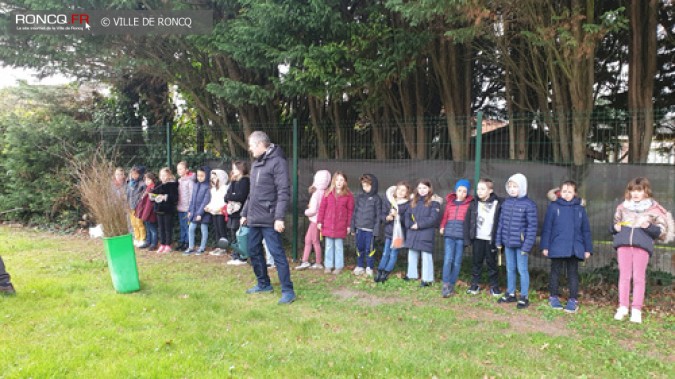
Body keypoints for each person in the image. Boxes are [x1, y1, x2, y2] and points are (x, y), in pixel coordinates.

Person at [240, 131, 296, 304]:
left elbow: (283, 191)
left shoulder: (278, 162)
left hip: (270, 218)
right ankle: (263, 284)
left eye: (251, 145)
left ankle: (288, 291)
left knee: (277, 253)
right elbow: (252, 193)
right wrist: (244, 213)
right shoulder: (256, 164)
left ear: (259, 145)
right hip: (254, 217)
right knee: (253, 250)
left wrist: (279, 217)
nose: (250, 149)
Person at [611, 177, 674, 323]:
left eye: (639, 190)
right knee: (624, 277)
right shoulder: (622, 207)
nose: (635, 193)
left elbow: (662, 232)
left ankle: (636, 310)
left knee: (639, 278)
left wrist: (649, 226)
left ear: (646, 191)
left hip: (642, 248)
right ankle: (623, 307)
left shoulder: (655, 209)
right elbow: (615, 225)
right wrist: (615, 228)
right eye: (632, 190)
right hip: (623, 246)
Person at [540, 180, 592, 313]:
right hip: (557, 246)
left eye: (570, 192)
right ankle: (553, 297)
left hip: (575, 247)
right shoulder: (553, 207)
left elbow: (586, 230)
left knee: (573, 274)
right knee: (555, 272)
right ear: (559, 193)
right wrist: (545, 246)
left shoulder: (580, 209)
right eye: (564, 191)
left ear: (575, 193)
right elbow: (547, 228)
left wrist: (588, 249)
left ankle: (573, 300)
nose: (567, 194)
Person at [495, 173, 538, 309]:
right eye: (510, 186)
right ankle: (511, 293)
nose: (512, 189)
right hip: (508, 243)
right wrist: (498, 240)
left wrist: (527, 246)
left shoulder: (529, 205)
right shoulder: (506, 203)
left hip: (521, 245)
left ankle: (524, 296)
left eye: (515, 186)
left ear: (523, 187)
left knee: (522, 269)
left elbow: (532, 227)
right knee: (510, 268)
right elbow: (501, 223)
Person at [465, 178, 503, 297]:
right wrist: (468, 237)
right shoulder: (473, 203)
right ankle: (475, 284)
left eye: (483, 189)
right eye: (478, 189)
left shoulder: (498, 203)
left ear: (490, 190)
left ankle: (494, 286)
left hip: (491, 239)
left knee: (492, 263)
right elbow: (467, 221)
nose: (479, 191)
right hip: (477, 238)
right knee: (477, 262)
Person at [404, 179, 443, 287]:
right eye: (420, 188)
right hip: (413, 231)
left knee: (426, 256)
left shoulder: (434, 202)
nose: (422, 190)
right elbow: (407, 215)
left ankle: (427, 279)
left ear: (429, 189)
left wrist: (419, 224)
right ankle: (411, 275)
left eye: (424, 188)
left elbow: (433, 218)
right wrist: (409, 224)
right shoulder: (413, 201)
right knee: (412, 253)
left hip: (425, 232)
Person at [439, 179, 473, 297]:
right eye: (459, 190)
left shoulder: (469, 205)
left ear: (467, 193)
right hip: (449, 235)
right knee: (448, 259)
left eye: (464, 191)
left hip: (461, 237)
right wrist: (442, 226)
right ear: (455, 190)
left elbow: (469, 221)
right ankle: (445, 284)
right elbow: (445, 217)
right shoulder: (450, 203)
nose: (461, 193)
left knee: (457, 262)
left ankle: (452, 285)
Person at [317, 171, 354, 275]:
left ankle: (338, 266)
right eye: (337, 179)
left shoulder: (348, 195)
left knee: (338, 246)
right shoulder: (328, 193)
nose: (339, 182)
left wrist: (348, 225)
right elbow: (322, 208)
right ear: (333, 181)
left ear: (345, 182)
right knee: (328, 246)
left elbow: (350, 211)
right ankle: (328, 266)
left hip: (340, 225)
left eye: (341, 180)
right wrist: (320, 221)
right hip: (328, 224)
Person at [375, 181, 411, 283]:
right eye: (399, 189)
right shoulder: (389, 201)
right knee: (385, 252)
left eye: (403, 190)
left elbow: (407, 221)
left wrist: (397, 216)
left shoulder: (407, 205)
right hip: (388, 233)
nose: (400, 192)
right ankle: (380, 270)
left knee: (393, 253)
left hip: (399, 235)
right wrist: (387, 217)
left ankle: (386, 272)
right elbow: (382, 215)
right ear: (395, 190)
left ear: (406, 193)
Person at [296, 170, 331, 270]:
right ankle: (305, 260)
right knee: (309, 239)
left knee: (314, 241)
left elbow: (313, 210)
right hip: (319, 220)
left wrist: (306, 211)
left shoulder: (316, 194)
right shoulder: (325, 192)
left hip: (314, 220)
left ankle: (316, 262)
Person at [351, 174, 383, 277]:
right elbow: (354, 213)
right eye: (363, 185)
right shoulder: (359, 198)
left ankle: (369, 267)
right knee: (359, 247)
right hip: (359, 229)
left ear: (373, 185)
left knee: (369, 249)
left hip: (370, 230)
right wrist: (353, 227)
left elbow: (379, 216)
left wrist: (376, 230)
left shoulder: (377, 199)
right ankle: (360, 266)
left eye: (368, 186)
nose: (365, 188)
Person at [225, 160, 251, 266]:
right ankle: (235, 255)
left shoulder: (245, 181)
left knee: (239, 235)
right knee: (233, 235)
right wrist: (232, 196)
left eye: (235, 169)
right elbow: (226, 196)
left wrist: (231, 196)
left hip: (240, 213)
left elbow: (241, 196)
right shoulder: (234, 181)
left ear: (241, 169)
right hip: (232, 212)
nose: (233, 171)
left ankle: (242, 257)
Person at [185, 166, 212, 256]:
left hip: (203, 213)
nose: (199, 177)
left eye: (202, 176)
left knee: (203, 229)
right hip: (194, 211)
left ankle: (202, 247)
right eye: (198, 175)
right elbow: (192, 199)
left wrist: (200, 213)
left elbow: (205, 201)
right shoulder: (196, 185)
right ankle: (191, 247)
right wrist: (190, 210)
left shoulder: (208, 187)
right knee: (191, 228)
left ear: (207, 176)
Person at [152, 168, 179, 254]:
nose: (163, 177)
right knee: (161, 228)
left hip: (168, 210)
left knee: (168, 228)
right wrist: (154, 197)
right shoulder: (158, 184)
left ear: (169, 175)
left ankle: (168, 244)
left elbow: (175, 198)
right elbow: (153, 195)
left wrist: (165, 197)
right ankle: (162, 244)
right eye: (161, 175)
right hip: (159, 209)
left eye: (165, 175)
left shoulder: (172, 185)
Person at [205, 169, 230, 256]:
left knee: (222, 229)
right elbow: (213, 201)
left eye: (215, 178)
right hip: (214, 212)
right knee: (217, 230)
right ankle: (219, 247)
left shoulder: (224, 188)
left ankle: (224, 248)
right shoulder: (213, 190)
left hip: (221, 213)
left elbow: (224, 202)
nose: (213, 180)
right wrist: (208, 206)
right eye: (212, 178)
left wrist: (219, 209)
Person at [135, 172, 158, 250]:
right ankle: (148, 242)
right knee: (148, 228)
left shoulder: (153, 188)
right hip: (146, 212)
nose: (147, 181)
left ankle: (154, 243)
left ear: (152, 179)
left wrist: (146, 213)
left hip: (150, 213)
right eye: (145, 180)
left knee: (153, 229)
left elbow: (150, 203)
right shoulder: (147, 188)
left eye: (148, 179)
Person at [126, 165, 147, 247]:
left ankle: (142, 239)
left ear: (140, 175)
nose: (133, 175)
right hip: (130, 207)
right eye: (132, 174)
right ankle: (137, 238)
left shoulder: (142, 184)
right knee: (133, 224)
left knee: (139, 224)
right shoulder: (129, 183)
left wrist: (138, 205)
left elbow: (142, 197)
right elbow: (127, 195)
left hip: (138, 207)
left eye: (135, 174)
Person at [176, 161, 194, 251]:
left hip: (187, 208)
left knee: (187, 227)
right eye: (178, 169)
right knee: (182, 226)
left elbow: (191, 195)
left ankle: (188, 243)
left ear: (186, 170)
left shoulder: (190, 181)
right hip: (180, 207)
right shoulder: (179, 181)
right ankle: (182, 241)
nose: (178, 171)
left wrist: (190, 208)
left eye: (181, 169)